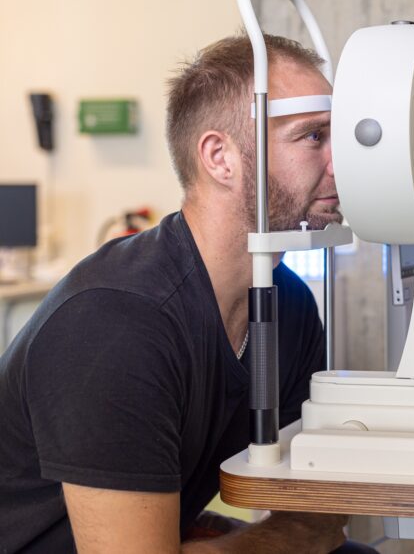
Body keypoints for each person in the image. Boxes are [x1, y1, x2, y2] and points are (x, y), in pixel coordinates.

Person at [0, 35, 375, 553]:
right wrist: (281, 537)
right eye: (313, 136)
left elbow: (305, 505)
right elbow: (301, 528)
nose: (341, 162)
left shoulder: (287, 304)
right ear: (220, 158)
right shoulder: (115, 323)